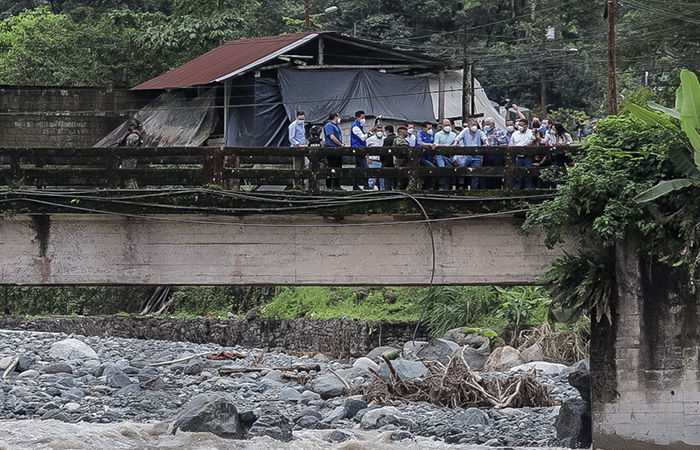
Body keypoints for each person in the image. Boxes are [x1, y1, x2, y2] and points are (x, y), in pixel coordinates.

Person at [453, 119, 489, 189]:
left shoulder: (479, 132)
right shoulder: (465, 131)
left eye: (475, 125)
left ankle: (474, 190)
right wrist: (455, 144)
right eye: (472, 125)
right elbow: (458, 138)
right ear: (469, 126)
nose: (474, 126)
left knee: (475, 174)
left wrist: (487, 143)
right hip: (467, 155)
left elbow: (484, 138)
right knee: (461, 165)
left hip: (477, 156)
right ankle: (461, 183)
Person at [482, 117, 508, 189]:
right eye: (485, 124)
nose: (486, 126)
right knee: (487, 173)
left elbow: (505, 143)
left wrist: (497, 139)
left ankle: (497, 189)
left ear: (492, 125)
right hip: (487, 155)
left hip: (497, 155)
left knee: (497, 173)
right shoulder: (483, 132)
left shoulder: (500, 131)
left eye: (488, 124)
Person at [119, 119, 143, 189]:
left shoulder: (134, 136)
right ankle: (135, 191)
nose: (130, 127)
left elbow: (128, 147)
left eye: (131, 125)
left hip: (129, 158)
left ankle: (131, 191)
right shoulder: (133, 135)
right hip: (130, 158)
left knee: (128, 176)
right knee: (131, 176)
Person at [433, 119, 456, 190]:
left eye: (448, 125)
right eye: (446, 125)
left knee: (449, 170)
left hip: (450, 155)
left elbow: (456, 145)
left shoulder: (454, 135)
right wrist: (439, 145)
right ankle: (441, 185)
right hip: (440, 154)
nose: (447, 127)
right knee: (442, 168)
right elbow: (435, 144)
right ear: (442, 126)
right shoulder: (438, 134)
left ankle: (447, 187)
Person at [512, 118, 535, 189]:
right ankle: (517, 191)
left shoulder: (531, 133)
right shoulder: (515, 134)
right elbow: (511, 145)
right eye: (519, 125)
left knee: (528, 175)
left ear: (526, 126)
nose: (519, 127)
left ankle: (528, 191)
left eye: (521, 125)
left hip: (527, 157)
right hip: (517, 157)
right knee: (517, 176)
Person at [351, 110, 370, 190]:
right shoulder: (355, 127)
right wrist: (371, 132)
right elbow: (362, 137)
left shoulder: (359, 125)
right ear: (357, 118)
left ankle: (355, 185)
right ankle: (366, 185)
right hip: (358, 148)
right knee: (365, 167)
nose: (363, 119)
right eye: (362, 118)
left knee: (358, 167)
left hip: (360, 148)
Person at [288, 110, 307, 189]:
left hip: (303, 147)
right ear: (296, 117)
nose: (301, 121)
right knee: (297, 166)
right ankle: (296, 185)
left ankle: (302, 183)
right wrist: (299, 145)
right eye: (300, 119)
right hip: (296, 148)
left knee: (303, 166)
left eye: (303, 119)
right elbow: (291, 138)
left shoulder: (302, 125)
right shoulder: (293, 125)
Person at [324, 112, 343, 190]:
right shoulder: (329, 125)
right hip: (331, 148)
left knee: (338, 166)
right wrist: (339, 144)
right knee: (331, 166)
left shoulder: (336, 126)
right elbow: (332, 137)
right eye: (338, 116)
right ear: (335, 117)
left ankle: (337, 185)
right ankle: (329, 185)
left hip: (337, 148)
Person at [366, 125, 385, 190]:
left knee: (383, 179)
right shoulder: (370, 139)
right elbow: (364, 148)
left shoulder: (384, 139)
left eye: (381, 131)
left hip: (382, 161)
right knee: (372, 178)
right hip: (373, 161)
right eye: (378, 131)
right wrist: (367, 158)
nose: (379, 132)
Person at [394, 125, 411, 189]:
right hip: (400, 161)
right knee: (400, 179)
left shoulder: (403, 139)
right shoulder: (399, 139)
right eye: (406, 131)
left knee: (403, 179)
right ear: (402, 132)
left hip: (403, 161)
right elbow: (400, 144)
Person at [381, 125, 396, 190]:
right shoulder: (396, 138)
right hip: (395, 162)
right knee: (395, 180)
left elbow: (383, 151)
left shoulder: (387, 140)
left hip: (387, 162)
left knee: (387, 180)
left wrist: (381, 159)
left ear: (387, 131)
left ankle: (388, 192)